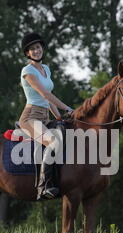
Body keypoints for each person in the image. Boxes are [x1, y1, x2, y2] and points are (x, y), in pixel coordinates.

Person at [19, 32, 73, 200]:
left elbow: (49, 100)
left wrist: (58, 117)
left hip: (45, 117)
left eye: (38, 47)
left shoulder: (46, 69)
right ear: (27, 53)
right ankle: (44, 186)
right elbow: (44, 95)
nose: (36, 51)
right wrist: (67, 108)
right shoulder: (27, 71)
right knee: (53, 141)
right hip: (30, 117)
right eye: (32, 49)